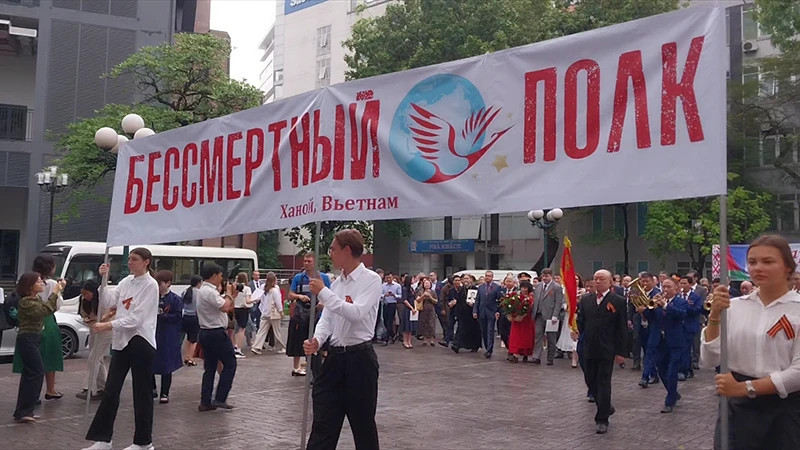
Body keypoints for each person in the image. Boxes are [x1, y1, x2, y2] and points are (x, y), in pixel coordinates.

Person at [701, 234, 800, 448]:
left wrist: (745, 388)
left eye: (768, 261)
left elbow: (798, 372)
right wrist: (715, 316)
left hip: (785, 409)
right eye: (753, 262)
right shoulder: (734, 306)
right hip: (737, 409)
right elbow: (709, 358)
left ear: (788, 268)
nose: (758, 268)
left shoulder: (797, 309)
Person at [303, 229, 382, 450]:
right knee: (324, 421)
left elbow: (356, 313)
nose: (331, 254)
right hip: (335, 358)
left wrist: (323, 293)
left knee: (363, 424)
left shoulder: (371, 280)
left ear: (347, 250)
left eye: (333, 249)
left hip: (360, 359)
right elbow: (327, 318)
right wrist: (317, 340)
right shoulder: (337, 284)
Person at [84, 248, 159, 450]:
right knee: (110, 391)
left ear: (146, 262)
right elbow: (109, 302)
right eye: (129, 259)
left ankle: (143, 442)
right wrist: (104, 280)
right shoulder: (127, 281)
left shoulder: (150, 285)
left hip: (140, 341)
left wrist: (108, 326)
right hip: (121, 342)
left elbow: (137, 318)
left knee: (141, 393)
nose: (130, 262)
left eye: (134, 259)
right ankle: (104, 439)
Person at [576, 269, 627, 434]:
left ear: (610, 282)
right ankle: (606, 407)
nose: (598, 282)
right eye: (596, 279)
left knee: (603, 382)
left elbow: (622, 328)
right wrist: (577, 330)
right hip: (589, 347)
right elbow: (582, 320)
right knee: (590, 380)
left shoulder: (618, 301)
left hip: (607, 348)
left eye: (602, 279)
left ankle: (602, 419)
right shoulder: (586, 299)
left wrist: (620, 352)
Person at [12, 274, 64, 423]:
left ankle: (24, 411)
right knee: (36, 372)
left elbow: (49, 307)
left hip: (34, 338)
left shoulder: (36, 299)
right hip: (27, 339)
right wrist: (55, 291)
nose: (42, 283)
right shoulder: (26, 302)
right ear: (29, 286)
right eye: (38, 281)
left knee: (31, 374)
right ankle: (25, 410)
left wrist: (57, 292)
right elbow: (45, 311)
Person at [195, 263, 237, 412]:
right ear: (213, 276)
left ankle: (205, 401)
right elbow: (226, 307)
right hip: (215, 332)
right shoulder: (210, 292)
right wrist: (230, 294)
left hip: (205, 331)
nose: (221, 278)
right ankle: (220, 397)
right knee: (230, 363)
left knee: (210, 367)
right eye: (220, 275)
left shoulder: (202, 290)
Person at [646, 278, 687, 413]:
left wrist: (665, 306)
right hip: (660, 341)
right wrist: (649, 307)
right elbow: (649, 317)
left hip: (675, 341)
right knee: (661, 369)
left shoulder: (681, 302)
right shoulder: (657, 301)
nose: (665, 290)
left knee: (672, 371)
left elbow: (681, 315)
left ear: (676, 289)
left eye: (669, 287)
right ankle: (673, 392)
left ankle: (669, 401)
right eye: (664, 287)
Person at [287, 253, 331, 376]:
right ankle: (298, 366)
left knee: (317, 341)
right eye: (305, 261)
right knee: (299, 341)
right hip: (302, 315)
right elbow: (290, 295)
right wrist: (299, 296)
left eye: (309, 261)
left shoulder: (323, 278)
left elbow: (330, 294)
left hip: (318, 315)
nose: (306, 263)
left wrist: (322, 303)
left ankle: (316, 370)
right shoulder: (298, 278)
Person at [151, 270, 183, 404]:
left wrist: (164, 316)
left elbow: (178, 316)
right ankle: (151, 388)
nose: (158, 286)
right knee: (149, 361)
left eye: (161, 283)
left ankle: (165, 392)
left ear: (168, 283)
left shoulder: (175, 299)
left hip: (168, 335)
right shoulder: (152, 297)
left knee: (167, 364)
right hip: (153, 334)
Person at [77, 279, 111, 401]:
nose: (85, 296)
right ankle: (103, 387)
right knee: (97, 358)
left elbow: (113, 310)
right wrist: (87, 318)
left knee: (94, 357)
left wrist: (102, 318)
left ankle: (88, 388)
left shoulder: (103, 298)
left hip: (106, 328)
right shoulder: (83, 300)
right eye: (83, 294)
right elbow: (82, 313)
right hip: (93, 328)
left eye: (87, 294)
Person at [532, 268, 565, 365]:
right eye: (543, 276)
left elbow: (558, 302)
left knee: (551, 338)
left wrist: (555, 315)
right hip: (539, 314)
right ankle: (536, 357)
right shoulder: (538, 286)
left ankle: (550, 358)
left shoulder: (556, 287)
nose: (544, 278)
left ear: (551, 276)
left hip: (551, 316)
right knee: (538, 336)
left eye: (547, 276)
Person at [251, 272, 286, 354]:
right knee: (277, 331)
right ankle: (281, 347)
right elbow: (278, 302)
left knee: (261, 331)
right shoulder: (275, 289)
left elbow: (259, 298)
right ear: (274, 280)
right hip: (273, 313)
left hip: (265, 312)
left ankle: (256, 347)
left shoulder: (263, 287)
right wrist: (281, 312)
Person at [678, 275, 704, 381]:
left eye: (685, 283)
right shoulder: (678, 295)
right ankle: (686, 369)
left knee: (687, 349)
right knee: (681, 349)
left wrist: (685, 305)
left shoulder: (695, 296)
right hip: (678, 326)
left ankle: (685, 370)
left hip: (690, 326)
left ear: (690, 284)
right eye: (681, 283)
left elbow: (697, 310)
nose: (683, 285)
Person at [472, 270, 502, 358]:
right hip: (482, 312)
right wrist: (475, 311)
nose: (487, 277)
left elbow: (499, 300)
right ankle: (486, 346)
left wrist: (497, 311)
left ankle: (489, 349)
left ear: (492, 277)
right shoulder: (480, 287)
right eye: (486, 276)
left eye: (489, 276)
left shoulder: (496, 287)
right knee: (484, 331)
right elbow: (477, 300)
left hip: (491, 312)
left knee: (490, 331)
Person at [451, 274, 481, 353]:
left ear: (471, 280)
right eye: (464, 279)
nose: (465, 280)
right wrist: (456, 313)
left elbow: (477, 301)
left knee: (473, 330)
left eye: (467, 278)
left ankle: (475, 346)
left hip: (471, 313)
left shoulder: (474, 289)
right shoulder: (461, 289)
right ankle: (456, 345)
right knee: (460, 329)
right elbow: (458, 301)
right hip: (462, 313)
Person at [507, 280, 535, 363]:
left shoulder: (531, 298)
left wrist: (525, 310)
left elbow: (530, 307)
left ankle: (525, 353)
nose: (523, 289)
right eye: (522, 287)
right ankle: (515, 353)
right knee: (516, 337)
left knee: (525, 337)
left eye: (525, 288)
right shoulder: (516, 297)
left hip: (526, 320)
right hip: (517, 319)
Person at [557, 276, 582, 368]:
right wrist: (566, 307)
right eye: (573, 279)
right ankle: (568, 350)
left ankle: (575, 351)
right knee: (568, 332)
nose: (575, 280)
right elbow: (562, 302)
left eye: (577, 279)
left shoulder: (582, 291)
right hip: (569, 314)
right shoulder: (566, 291)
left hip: (579, 314)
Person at [181, 276, 202, 367]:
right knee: (193, 339)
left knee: (187, 339)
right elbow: (199, 306)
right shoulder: (198, 293)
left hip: (185, 316)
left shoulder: (186, 291)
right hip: (194, 317)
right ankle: (190, 358)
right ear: (198, 283)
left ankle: (186, 357)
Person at [232, 272, 254, 358]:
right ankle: (238, 349)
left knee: (236, 329)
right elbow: (248, 301)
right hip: (243, 309)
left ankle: (234, 346)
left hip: (235, 308)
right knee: (242, 329)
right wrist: (255, 299)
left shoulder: (234, 287)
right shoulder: (247, 288)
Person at [416, 278, 438, 346]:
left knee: (431, 324)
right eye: (425, 283)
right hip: (423, 309)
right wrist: (423, 296)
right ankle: (425, 340)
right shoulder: (420, 291)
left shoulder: (433, 292)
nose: (427, 284)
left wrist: (430, 297)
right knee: (423, 324)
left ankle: (432, 340)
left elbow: (436, 301)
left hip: (431, 309)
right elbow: (418, 300)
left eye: (428, 283)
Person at [380, 272, 401, 345]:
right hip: (385, 304)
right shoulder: (383, 286)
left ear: (392, 278)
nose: (389, 279)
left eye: (390, 278)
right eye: (387, 278)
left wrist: (394, 295)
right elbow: (380, 295)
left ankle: (386, 339)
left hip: (392, 304)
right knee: (385, 321)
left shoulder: (397, 286)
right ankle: (393, 335)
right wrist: (384, 295)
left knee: (390, 321)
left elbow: (400, 296)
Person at [498, 276, 516, 357]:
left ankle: (512, 351)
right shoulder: (502, 291)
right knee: (503, 333)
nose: (508, 283)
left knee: (511, 334)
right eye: (507, 281)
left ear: (514, 282)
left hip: (513, 316)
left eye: (510, 281)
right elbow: (498, 302)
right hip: (502, 315)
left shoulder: (517, 292)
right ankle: (509, 347)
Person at [399, 274, 417, 349]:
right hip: (407, 308)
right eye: (412, 279)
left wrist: (415, 308)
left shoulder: (412, 289)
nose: (413, 280)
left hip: (412, 307)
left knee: (410, 326)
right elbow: (405, 300)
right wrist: (411, 307)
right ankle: (405, 341)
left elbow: (415, 298)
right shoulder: (404, 289)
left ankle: (409, 340)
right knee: (406, 325)